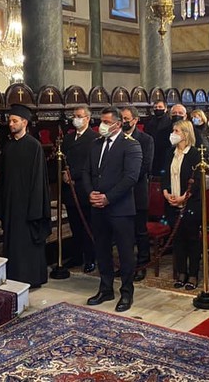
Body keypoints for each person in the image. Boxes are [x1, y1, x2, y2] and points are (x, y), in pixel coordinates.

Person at [84, 107, 142, 312]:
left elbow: (131, 177)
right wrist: (90, 193)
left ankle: (126, 292)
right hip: (97, 207)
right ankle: (105, 288)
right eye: (101, 121)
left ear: (117, 124)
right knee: (102, 249)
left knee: (125, 252)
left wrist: (108, 198)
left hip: (120, 208)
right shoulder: (95, 144)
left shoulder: (130, 145)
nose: (102, 125)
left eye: (106, 122)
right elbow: (86, 172)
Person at [0, 104, 51, 287]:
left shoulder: (34, 146)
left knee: (28, 243)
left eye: (14, 121)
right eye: (10, 121)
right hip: (11, 204)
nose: (10, 124)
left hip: (28, 206)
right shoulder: (8, 146)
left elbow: (39, 180)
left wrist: (35, 208)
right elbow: (3, 178)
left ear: (24, 123)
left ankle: (31, 278)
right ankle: (14, 277)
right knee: (13, 243)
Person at [162, 120, 202, 290]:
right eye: (173, 130)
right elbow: (164, 174)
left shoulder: (194, 154)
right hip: (172, 203)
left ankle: (193, 274)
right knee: (177, 240)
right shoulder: (170, 153)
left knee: (192, 239)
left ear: (185, 134)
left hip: (190, 204)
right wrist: (166, 193)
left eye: (177, 131)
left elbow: (197, 180)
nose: (173, 134)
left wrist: (184, 197)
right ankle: (181, 272)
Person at [120, 106, 155, 281]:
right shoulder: (117, 138)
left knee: (140, 232)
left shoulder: (146, 140)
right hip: (119, 193)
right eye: (121, 118)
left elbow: (146, 166)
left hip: (137, 191)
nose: (123, 122)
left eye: (126, 119)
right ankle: (126, 265)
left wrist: (126, 180)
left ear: (135, 120)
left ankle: (142, 264)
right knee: (123, 232)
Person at [61, 105, 96, 273]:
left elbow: (91, 164)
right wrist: (63, 173)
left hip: (83, 187)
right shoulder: (68, 138)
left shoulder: (94, 138)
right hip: (69, 189)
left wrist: (73, 175)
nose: (76, 119)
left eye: (79, 116)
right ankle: (76, 256)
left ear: (87, 118)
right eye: (74, 116)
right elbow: (63, 158)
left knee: (87, 226)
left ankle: (90, 258)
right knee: (74, 225)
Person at [145, 100, 172, 176]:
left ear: (165, 109)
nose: (157, 109)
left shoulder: (170, 122)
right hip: (152, 150)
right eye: (155, 107)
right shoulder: (149, 121)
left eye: (160, 107)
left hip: (165, 150)